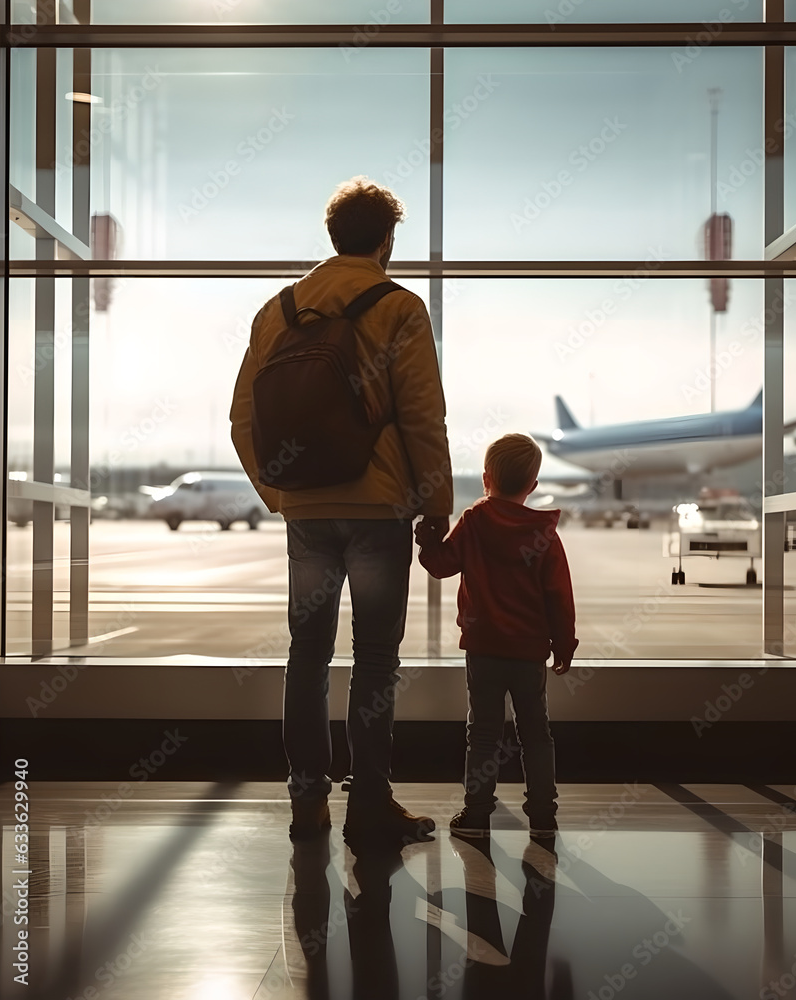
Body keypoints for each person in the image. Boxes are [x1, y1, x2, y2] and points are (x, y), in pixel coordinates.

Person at [230, 176, 453, 842]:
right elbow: (421, 415)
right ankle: (371, 805)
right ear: (388, 238)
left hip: (307, 511)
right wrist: (436, 500)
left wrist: (280, 494)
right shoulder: (398, 307)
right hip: (377, 504)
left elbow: (243, 417)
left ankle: (306, 800)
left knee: (308, 654)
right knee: (376, 659)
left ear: (332, 235)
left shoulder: (277, 311)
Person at [414, 433, 577, 840]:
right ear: (533, 486)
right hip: (528, 651)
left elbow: (442, 565)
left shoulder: (475, 521)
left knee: (483, 734)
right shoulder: (544, 534)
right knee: (536, 733)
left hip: (484, 648)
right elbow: (559, 594)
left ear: (486, 478)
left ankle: (477, 814)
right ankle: (542, 813)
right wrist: (563, 643)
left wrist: (428, 539)